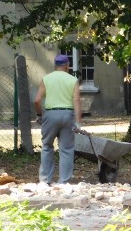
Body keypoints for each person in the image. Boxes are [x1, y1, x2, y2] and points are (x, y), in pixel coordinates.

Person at [34, 54, 82, 184]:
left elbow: (37, 100)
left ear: (55, 65)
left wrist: (40, 115)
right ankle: (64, 182)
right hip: (68, 115)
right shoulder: (73, 80)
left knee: (47, 147)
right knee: (66, 149)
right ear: (67, 66)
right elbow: (76, 100)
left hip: (50, 115)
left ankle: (45, 180)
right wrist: (78, 122)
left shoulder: (46, 79)